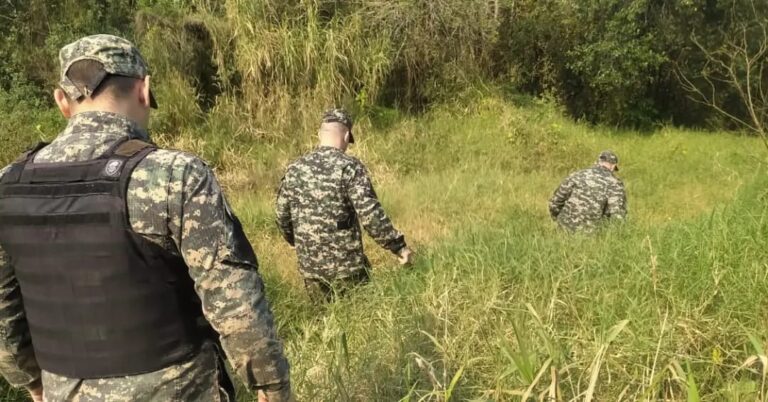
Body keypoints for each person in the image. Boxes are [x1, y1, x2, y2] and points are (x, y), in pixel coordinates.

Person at [0, 34, 292, 402]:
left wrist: (32, 382)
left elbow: (5, 313)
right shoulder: (175, 175)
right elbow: (237, 308)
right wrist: (271, 387)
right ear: (144, 90)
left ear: (62, 101)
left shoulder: (8, 186)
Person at [275, 109, 413, 302]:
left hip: (311, 270)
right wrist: (399, 247)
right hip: (347, 270)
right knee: (360, 323)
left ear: (319, 134)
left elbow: (282, 216)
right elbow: (370, 215)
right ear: (347, 135)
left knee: (322, 323)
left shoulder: (294, 169)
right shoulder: (349, 167)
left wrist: (298, 241)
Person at [548, 150, 627, 233]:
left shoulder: (577, 175)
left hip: (564, 230)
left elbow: (556, 202)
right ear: (613, 166)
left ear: (598, 162)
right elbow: (618, 217)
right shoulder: (615, 184)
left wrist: (557, 220)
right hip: (592, 236)